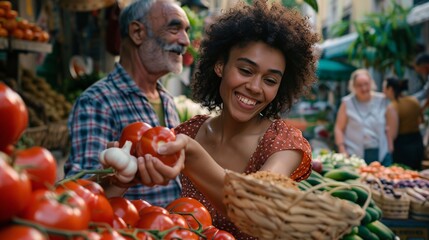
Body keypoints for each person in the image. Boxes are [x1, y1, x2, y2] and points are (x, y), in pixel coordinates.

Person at [153, 0, 317, 238]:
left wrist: (194, 156)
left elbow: (256, 208)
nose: (254, 87)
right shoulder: (188, 133)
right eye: (246, 70)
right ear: (220, 66)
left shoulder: (283, 144)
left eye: (270, 80)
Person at [64, 0, 191, 207]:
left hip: (168, 230)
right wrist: (117, 177)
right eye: (174, 28)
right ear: (137, 33)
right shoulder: (97, 101)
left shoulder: (166, 100)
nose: (185, 40)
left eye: (186, 31)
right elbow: (77, 191)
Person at [334, 69, 398, 166]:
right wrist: (342, 149)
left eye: (366, 84)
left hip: (381, 154)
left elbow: (390, 126)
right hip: (354, 155)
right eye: (359, 85)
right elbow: (339, 128)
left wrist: (390, 147)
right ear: (353, 86)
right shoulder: (347, 103)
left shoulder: (382, 100)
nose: (364, 88)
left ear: (371, 84)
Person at [383, 77, 424, 170]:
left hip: (402, 147)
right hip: (417, 142)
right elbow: (421, 121)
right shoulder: (414, 101)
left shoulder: (393, 106)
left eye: (384, 88)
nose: (383, 91)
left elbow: (393, 134)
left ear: (390, 89)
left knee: (404, 176)